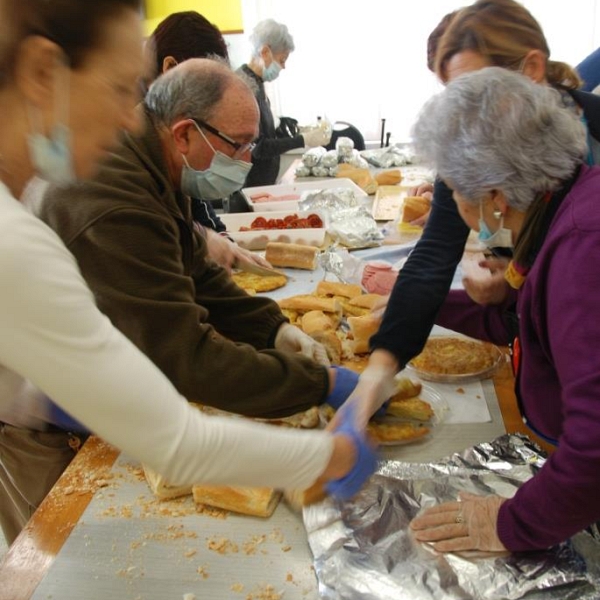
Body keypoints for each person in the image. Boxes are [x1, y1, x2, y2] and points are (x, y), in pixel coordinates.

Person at [0, 0, 374, 545]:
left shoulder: (128, 176)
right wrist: (329, 450)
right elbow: (177, 438)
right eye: (117, 89)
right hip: (39, 430)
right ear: (40, 73)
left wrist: (273, 328)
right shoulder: (41, 228)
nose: (131, 117)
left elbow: (196, 273)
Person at [343, 0, 600, 428]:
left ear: (531, 68)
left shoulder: (583, 224)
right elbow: (434, 254)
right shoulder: (476, 144)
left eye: (472, 90)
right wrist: (381, 368)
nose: (459, 112)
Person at [406, 67, 600, 552]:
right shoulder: (564, 205)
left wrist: (512, 524)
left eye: (452, 189)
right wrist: (420, 305)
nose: (451, 201)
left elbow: (595, 444)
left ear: (493, 197)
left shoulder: (583, 248)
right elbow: (525, 326)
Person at [144, 11, 272, 272]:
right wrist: (202, 235)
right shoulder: (135, 130)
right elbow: (147, 218)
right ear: (170, 69)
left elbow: (192, 195)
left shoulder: (168, 124)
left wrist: (219, 237)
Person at [235, 19, 330, 195]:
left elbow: (264, 133)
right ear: (265, 52)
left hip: (262, 184)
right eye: (282, 60)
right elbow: (259, 148)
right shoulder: (244, 87)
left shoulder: (257, 83)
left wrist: (292, 130)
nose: (283, 66)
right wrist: (303, 139)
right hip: (249, 189)